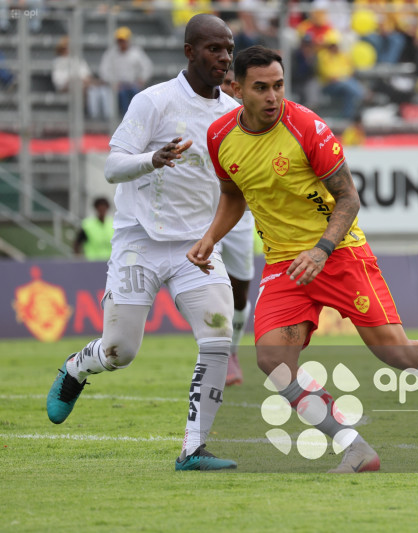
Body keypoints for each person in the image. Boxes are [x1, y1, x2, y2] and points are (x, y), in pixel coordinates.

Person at [188, 46, 418, 473]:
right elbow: (234, 194)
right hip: (285, 264)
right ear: (235, 89)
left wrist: (322, 249)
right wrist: (211, 237)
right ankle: (355, 447)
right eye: (261, 88)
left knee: (394, 353)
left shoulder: (306, 127)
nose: (273, 97)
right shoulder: (219, 137)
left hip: (339, 252)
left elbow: (349, 197)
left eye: (279, 86)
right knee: (273, 362)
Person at [47, 14, 241, 471]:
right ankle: (77, 367)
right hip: (141, 238)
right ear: (190, 52)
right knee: (121, 351)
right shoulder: (152, 101)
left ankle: (193, 449)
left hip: (196, 246)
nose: (225, 57)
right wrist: (152, 159)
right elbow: (112, 166)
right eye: (214, 48)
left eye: (229, 49)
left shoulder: (233, 115)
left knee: (217, 337)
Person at [218, 68, 256, 386]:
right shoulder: (200, 118)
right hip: (202, 214)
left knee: (240, 294)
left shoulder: (246, 119)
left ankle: (231, 350)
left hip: (240, 215)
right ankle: (215, 356)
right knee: (209, 288)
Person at [52, 36, 112, 121]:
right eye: (66, 47)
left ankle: (101, 117)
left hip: (83, 85)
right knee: (85, 87)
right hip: (67, 87)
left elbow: (87, 76)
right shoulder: (58, 62)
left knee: (100, 90)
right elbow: (59, 82)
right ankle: (85, 117)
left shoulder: (77, 60)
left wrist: (86, 81)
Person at [99, 26, 153, 116]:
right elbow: (103, 70)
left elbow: (148, 67)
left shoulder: (136, 52)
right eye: (119, 41)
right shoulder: (111, 53)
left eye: (123, 40)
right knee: (123, 95)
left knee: (137, 96)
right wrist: (112, 82)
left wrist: (142, 79)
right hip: (118, 86)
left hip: (133, 84)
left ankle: (136, 116)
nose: (121, 43)